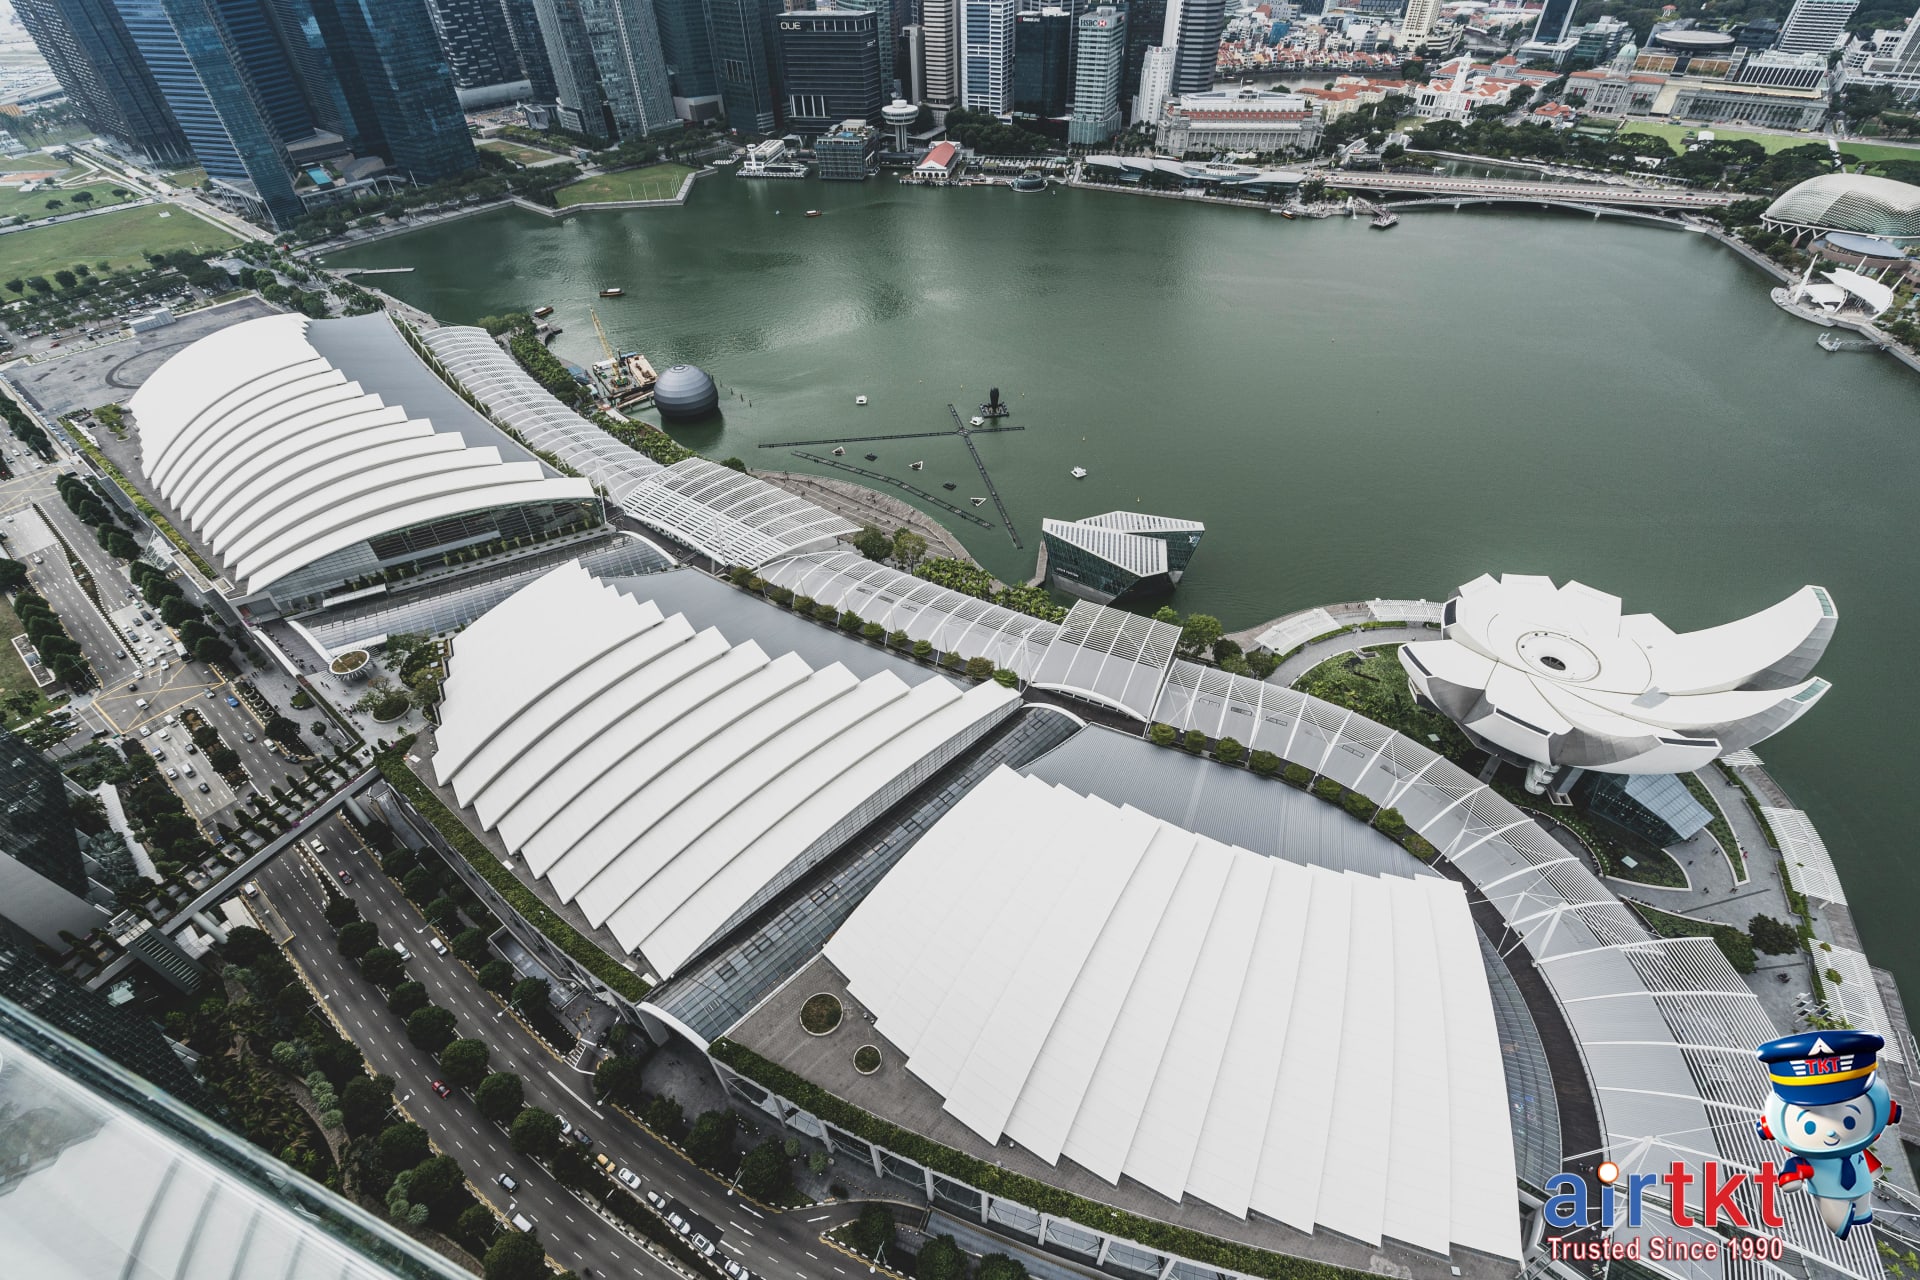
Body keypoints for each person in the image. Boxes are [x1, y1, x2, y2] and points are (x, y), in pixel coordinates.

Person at [1756, 1030, 1901, 1240]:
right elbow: (1795, 1169)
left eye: (1848, 1120)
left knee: (1859, 1207)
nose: (1832, 1131)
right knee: (1836, 1215)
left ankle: (1859, 1214)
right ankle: (1842, 1222)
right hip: (1830, 1194)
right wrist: (1792, 1177)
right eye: (1810, 1126)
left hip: (1854, 1186)